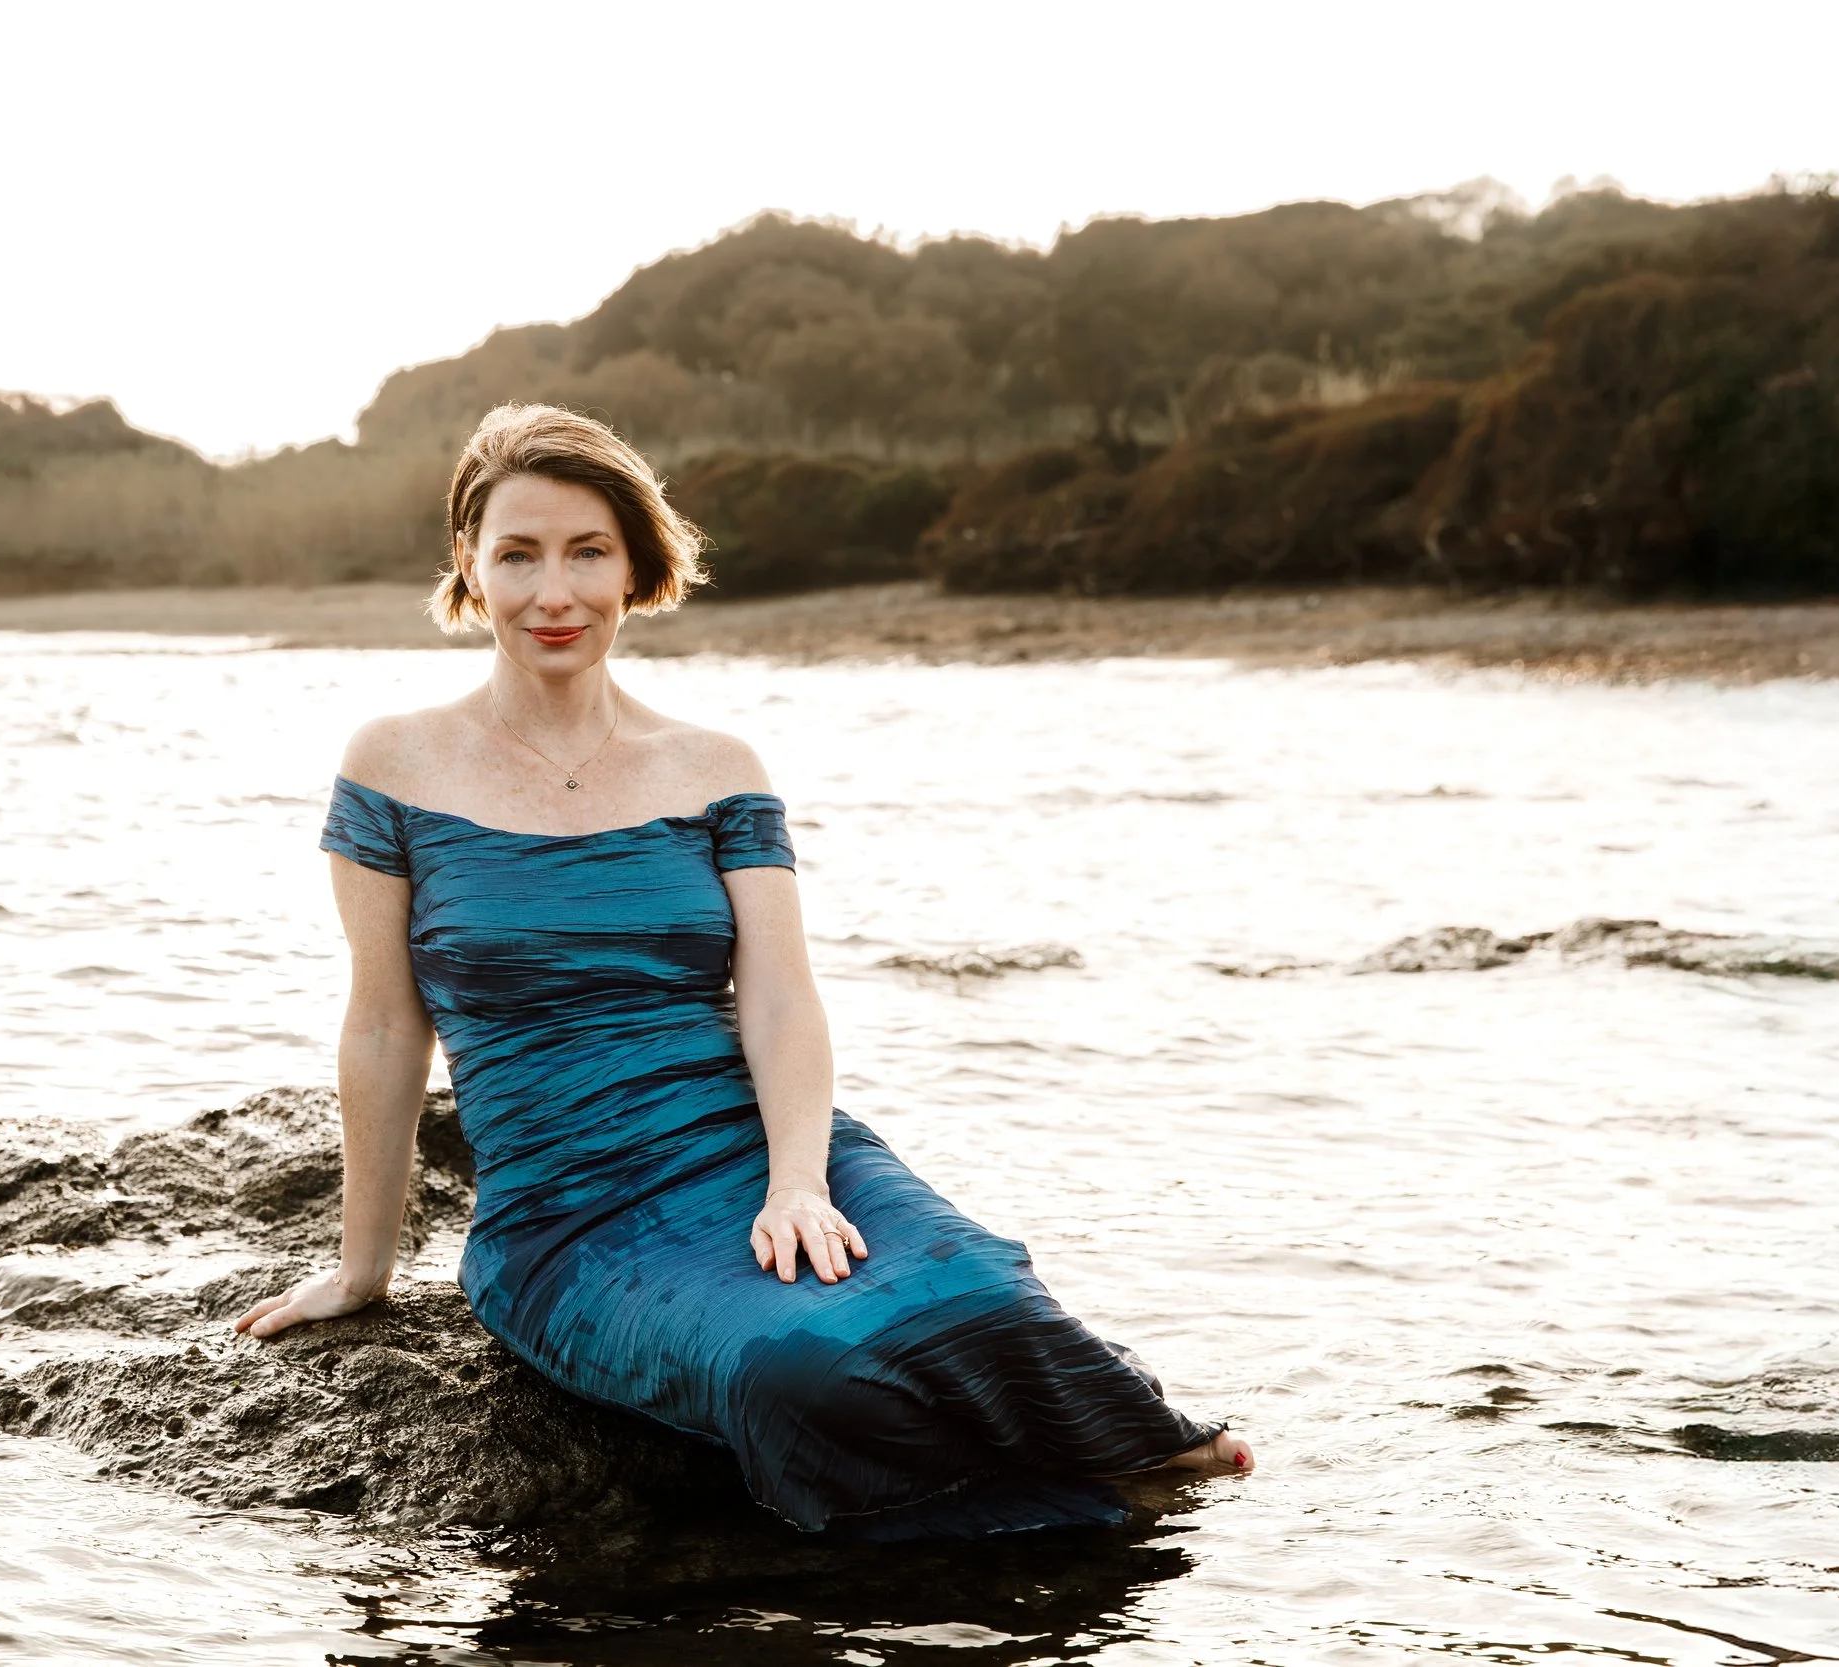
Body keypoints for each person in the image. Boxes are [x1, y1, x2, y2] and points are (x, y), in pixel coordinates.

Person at [234, 404, 1252, 1536]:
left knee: (982, 1299)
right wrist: (361, 1271)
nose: (552, 592)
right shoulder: (394, 765)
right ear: (468, 566)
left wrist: (799, 1180)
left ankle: (1126, 1457)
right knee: (792, 1374)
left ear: (637, 567)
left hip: (757, 1145)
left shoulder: (715, 767)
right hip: (566, 1216)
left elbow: (779, 996)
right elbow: (382, 1025)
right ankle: (1041, 1531)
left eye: (588, 551)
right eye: (517, 553)